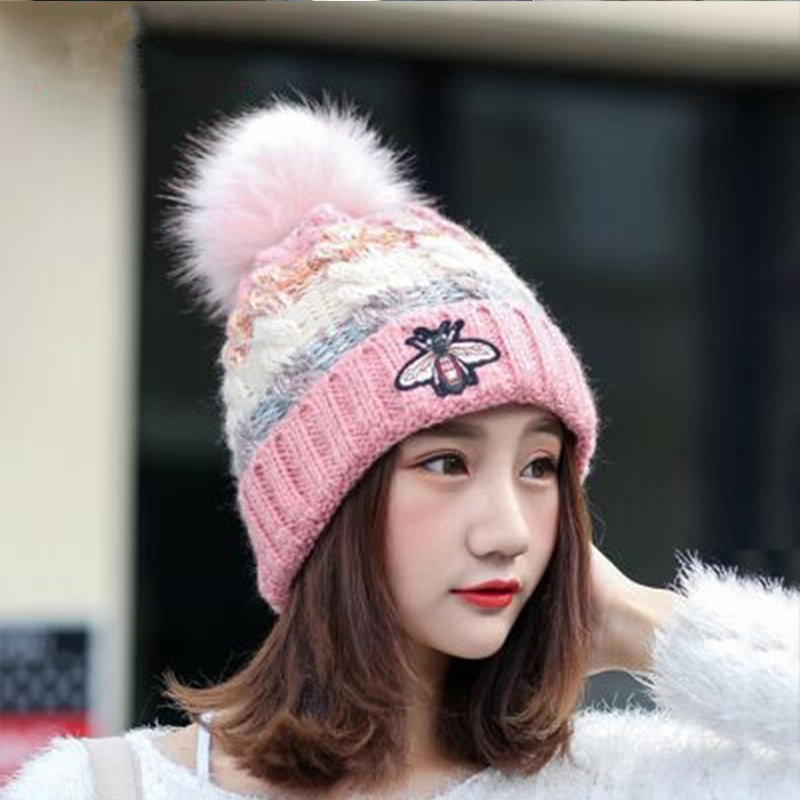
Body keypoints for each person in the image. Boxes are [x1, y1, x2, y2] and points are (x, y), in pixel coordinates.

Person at [3, 95, 797, 800]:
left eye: (539, 467)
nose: (510, 532)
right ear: (318, 507)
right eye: (446, 463)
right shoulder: (99, 789)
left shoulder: (620, 782)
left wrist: (646, 624)